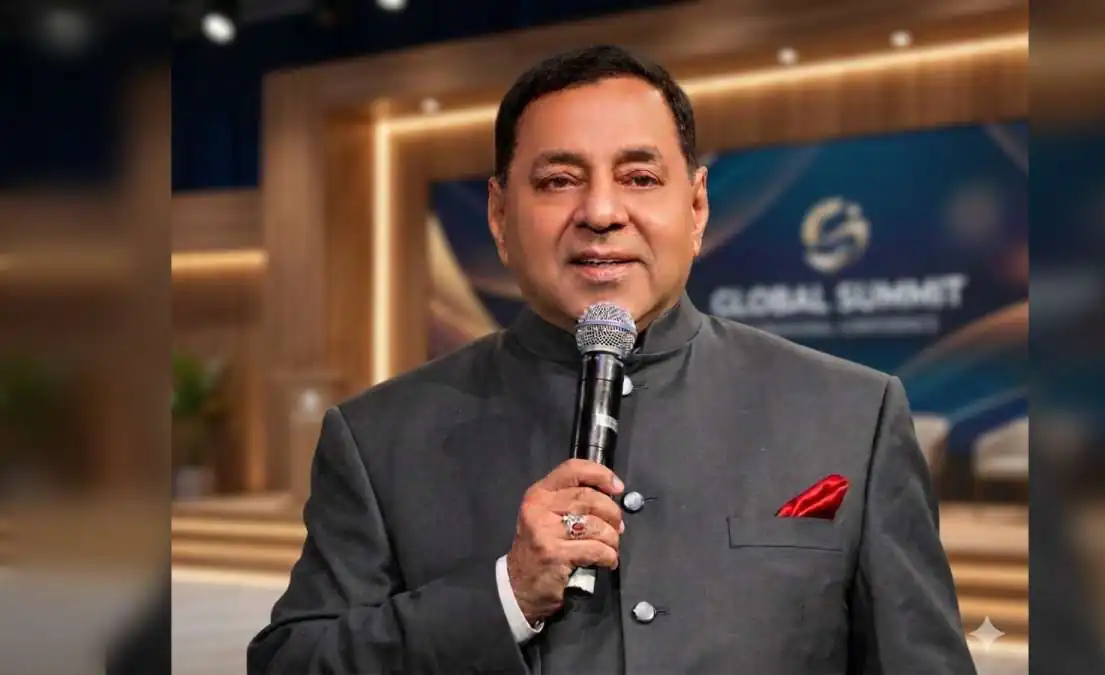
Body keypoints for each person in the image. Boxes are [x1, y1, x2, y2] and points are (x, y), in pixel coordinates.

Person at [247, 44, 977, 675]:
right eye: (558, 180)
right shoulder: (378, 438)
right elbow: (292, 662)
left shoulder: (852, 416)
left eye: (639, 177)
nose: (600, 212)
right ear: (499, 215)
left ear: (697, 208)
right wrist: (503, 595)